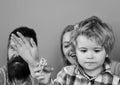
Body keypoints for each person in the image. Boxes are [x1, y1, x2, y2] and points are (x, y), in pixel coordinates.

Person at [34, 16, 120, 85]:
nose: (89, 56)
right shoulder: (66, 74)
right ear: (76, 52)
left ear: (107, 52)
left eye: (97, 50)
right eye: (83, 50)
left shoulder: (115, 81)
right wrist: (47, 82)